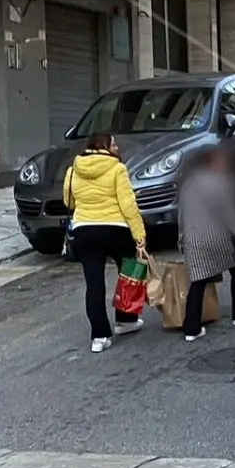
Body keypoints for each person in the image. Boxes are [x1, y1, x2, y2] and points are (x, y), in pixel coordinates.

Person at [63, 132, 146, 354]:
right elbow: (128, 204)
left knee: (94, 283)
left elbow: (67, 199)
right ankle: (126, 319)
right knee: (129, 270)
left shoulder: (74, 169)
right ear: (105, 146)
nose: (117, 147)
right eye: (114, 143)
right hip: (115, 229)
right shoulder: (117, 168)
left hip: (85, 231)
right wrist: (140, 236)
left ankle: (99, 337)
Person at [177, 144, 235, 341]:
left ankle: (192, 328)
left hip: (193, 240)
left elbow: (181, 216)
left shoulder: (188, 185)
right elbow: (230, 215)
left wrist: (181, 240)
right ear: (214, 161)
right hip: (218, 238)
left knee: (198, 282)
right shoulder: (220, 182)